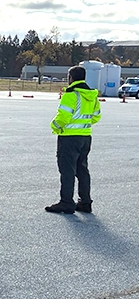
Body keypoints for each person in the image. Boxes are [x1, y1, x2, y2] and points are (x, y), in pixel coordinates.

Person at [46, 65, 101, 214]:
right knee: (82, 169)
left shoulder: (71, 94)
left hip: (69, 138)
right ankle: (85, 202)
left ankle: (66, 202)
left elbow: (63, 116)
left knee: (67, 170)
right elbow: (96, 116)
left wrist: (55, 126)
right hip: (85, 137)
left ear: (71, 78)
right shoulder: (92, 95)